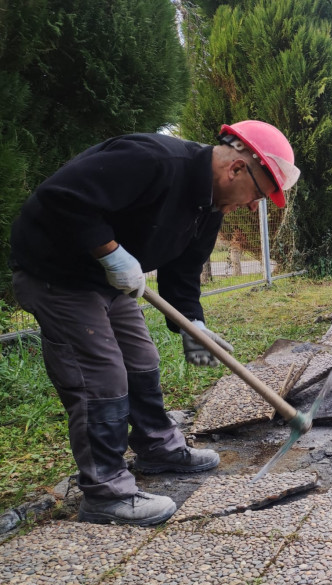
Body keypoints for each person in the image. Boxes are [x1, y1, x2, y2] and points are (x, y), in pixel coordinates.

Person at [9, 120, 300, 526]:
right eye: (259, 193)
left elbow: (182, 274)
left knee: (142, 359)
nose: (255, 206)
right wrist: (109, 252)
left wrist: (193, 325)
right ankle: (105, 493)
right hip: (56, 273)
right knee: (101, 376)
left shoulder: (210, 206)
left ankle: (157, 449)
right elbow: (62, 197)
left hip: (106, 281)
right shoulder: (153, 160)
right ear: (236, 168)